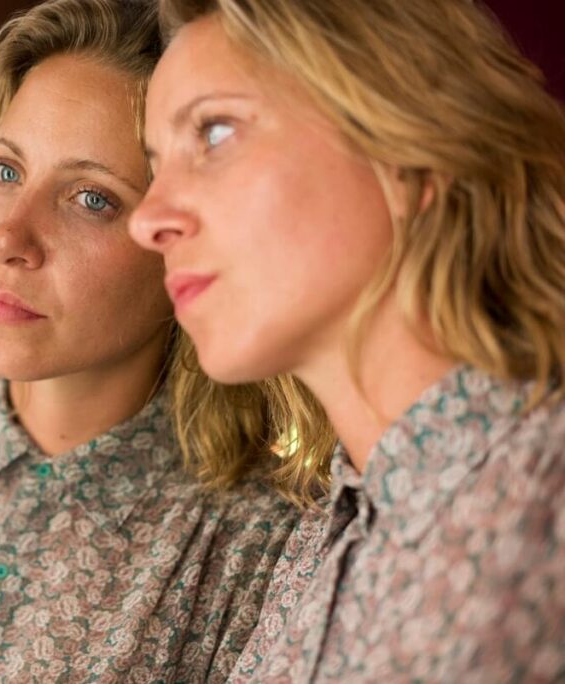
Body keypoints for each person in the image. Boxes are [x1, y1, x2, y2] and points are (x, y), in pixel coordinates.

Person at [0, 0, 328, 681]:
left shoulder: (261, 541)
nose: (9, 237)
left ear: (180, 237)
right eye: (6, 171)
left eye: (91, 198)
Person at [129, 0, 565, 681]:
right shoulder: (316, 546)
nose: (148, 219)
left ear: (404, 146)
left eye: (214, 133)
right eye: (156, 164)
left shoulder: (547, 498)